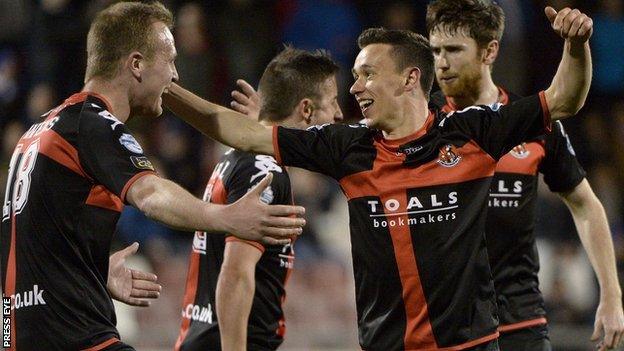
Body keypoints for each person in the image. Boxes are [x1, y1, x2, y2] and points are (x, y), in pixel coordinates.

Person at [163, 6, 592, 350]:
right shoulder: (349, 146)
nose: (355, 88)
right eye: (354, 77)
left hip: (470, 345)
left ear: (410, 78)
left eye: (367, 74)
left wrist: (575, 47)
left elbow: (563, 100)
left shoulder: (473, 132)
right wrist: (166, 88)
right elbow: (236, 130)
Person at [0, 2, 305, 350]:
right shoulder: (94, 124)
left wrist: (93, 272)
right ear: (136, 64)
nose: (175, 75)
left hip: (17, 335)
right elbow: (150, 194)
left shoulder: (38, 131)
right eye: (170, 60)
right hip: (76, 338)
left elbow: (24, 244)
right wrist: (227, 217)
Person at [425, 1, 624, 350]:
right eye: (436, 50)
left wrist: (611, 295)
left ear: (490, 51)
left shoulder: (529, 122)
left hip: (520, 319)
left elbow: (586, 205)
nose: (442, 62)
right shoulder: (421, 124)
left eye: (454, 50)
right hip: (445, 323)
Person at [174, 47, 342, 351]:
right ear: (306, 109)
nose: (339, 114)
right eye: (332, 103)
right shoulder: (264, 174)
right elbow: (236, 273)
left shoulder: (242, 159)